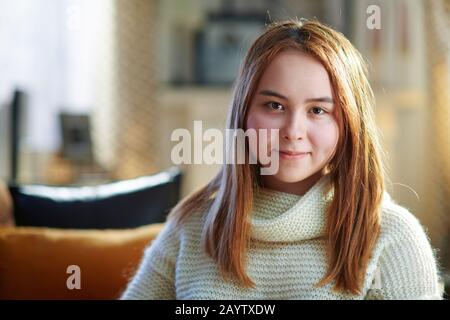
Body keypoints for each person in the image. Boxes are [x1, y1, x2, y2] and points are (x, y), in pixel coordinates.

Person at [121, 19, 443, 300]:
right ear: (244, 112)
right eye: (275, 106)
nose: (293, 131)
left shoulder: (392, 236)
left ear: (348, 125)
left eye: (318, 110)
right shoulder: (189, 226)